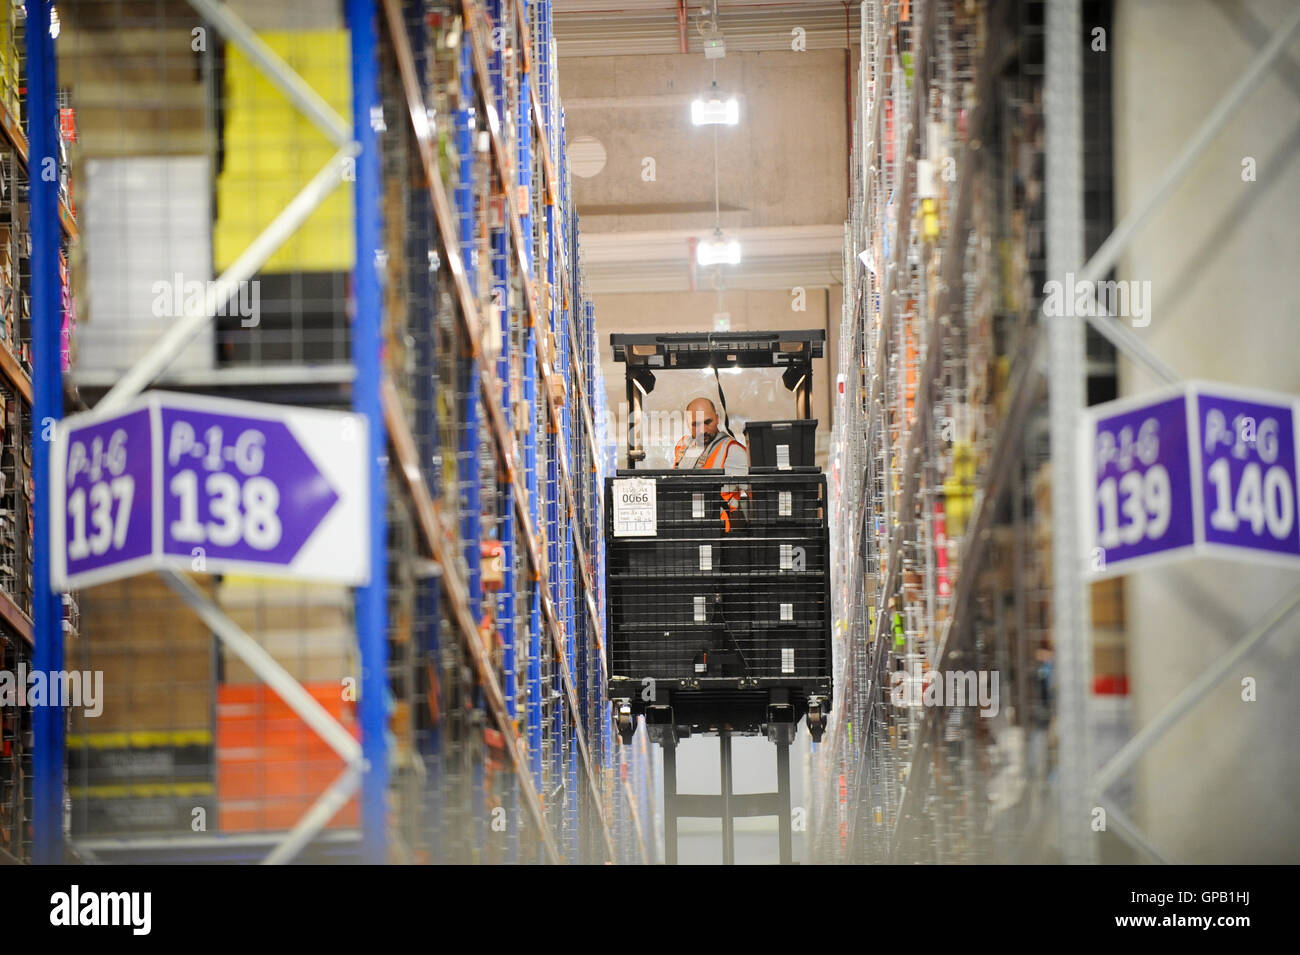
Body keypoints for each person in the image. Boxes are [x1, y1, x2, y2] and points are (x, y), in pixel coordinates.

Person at [673, 397, 749, 531]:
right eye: (695, 424)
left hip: (719, 532)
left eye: (708, 422)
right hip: (686, 526)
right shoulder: (682, 446)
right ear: (688, 424)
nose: (703, 430)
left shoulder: (733, 450)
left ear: (717, 418)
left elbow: (758, 497)